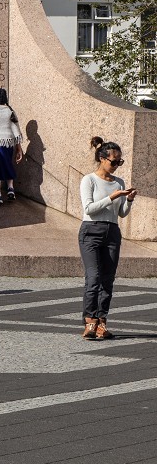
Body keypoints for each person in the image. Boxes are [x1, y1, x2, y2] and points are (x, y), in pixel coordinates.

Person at [79, 137, 137, 341]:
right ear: (102, 159)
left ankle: (102, 321)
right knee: (93, 278)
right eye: (113, 162)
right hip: (91, 231)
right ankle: (90, 322)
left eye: (119, 162)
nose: (116, 166)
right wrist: (112, 196)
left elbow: (121, 213)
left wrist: (128, 200)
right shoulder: (89, 180)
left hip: (112, 231)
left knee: (108, 280)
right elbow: (89, 209)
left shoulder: (119, 182)